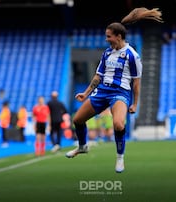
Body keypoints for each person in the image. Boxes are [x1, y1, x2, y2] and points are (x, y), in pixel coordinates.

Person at [65, 7, 162, 173]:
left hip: (120, 93)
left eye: (109, 36)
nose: (107, 39)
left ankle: (120, 157)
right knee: (78, 120)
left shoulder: (132, 56)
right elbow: (98, 76)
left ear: (118, 36)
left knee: (118, 124)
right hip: (102, 91)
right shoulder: (107, 53)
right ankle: (82, 147)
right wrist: (86, 93)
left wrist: (135, 104)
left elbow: (136, 83)